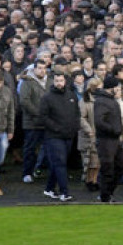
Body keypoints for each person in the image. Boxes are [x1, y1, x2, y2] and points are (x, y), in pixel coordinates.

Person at [40, 72, 81, 202]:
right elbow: (43, 117)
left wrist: (75, 127)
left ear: (65, 81)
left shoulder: (71, 95)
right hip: (54, 136)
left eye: (61, 80)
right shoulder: (47, 97)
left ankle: (49, 189)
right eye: (56, 80)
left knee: (57, 164)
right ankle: (64, 192)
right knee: (60, 162)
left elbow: (76, 113)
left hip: (69, 135)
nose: (59, 83)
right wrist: (57, 128)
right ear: (53, 81)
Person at [94, 76, 123, 203]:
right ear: (111, 88)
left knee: (120, 166)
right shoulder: (102, 101)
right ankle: (105, 196)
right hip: (106, 140)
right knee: (108, 168)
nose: (118, 90)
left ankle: (108, 193)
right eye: (117, 87)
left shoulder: (110, 100)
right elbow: (99, 121)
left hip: (114, 139)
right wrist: (114, 129)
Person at [19, 60, 49, 183]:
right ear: (34, 69)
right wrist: (38, 113)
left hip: (47, 122)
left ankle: (39, 169)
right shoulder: (27, 82)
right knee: (30, 148)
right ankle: (27, 172)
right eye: (39, 68)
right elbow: (24, 101)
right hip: (32, 122)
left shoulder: (50, 81)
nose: (42, 70)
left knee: (48, 148)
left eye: (44, 68)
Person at [78, 78, 102, 192]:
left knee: (97, 162)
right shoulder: (84, 101)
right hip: (88, 136)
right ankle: (89, 180)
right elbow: (81, 117)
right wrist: (88, 129)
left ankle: (94, 180)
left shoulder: (100, 100)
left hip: (98, 134)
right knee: (90, 162)